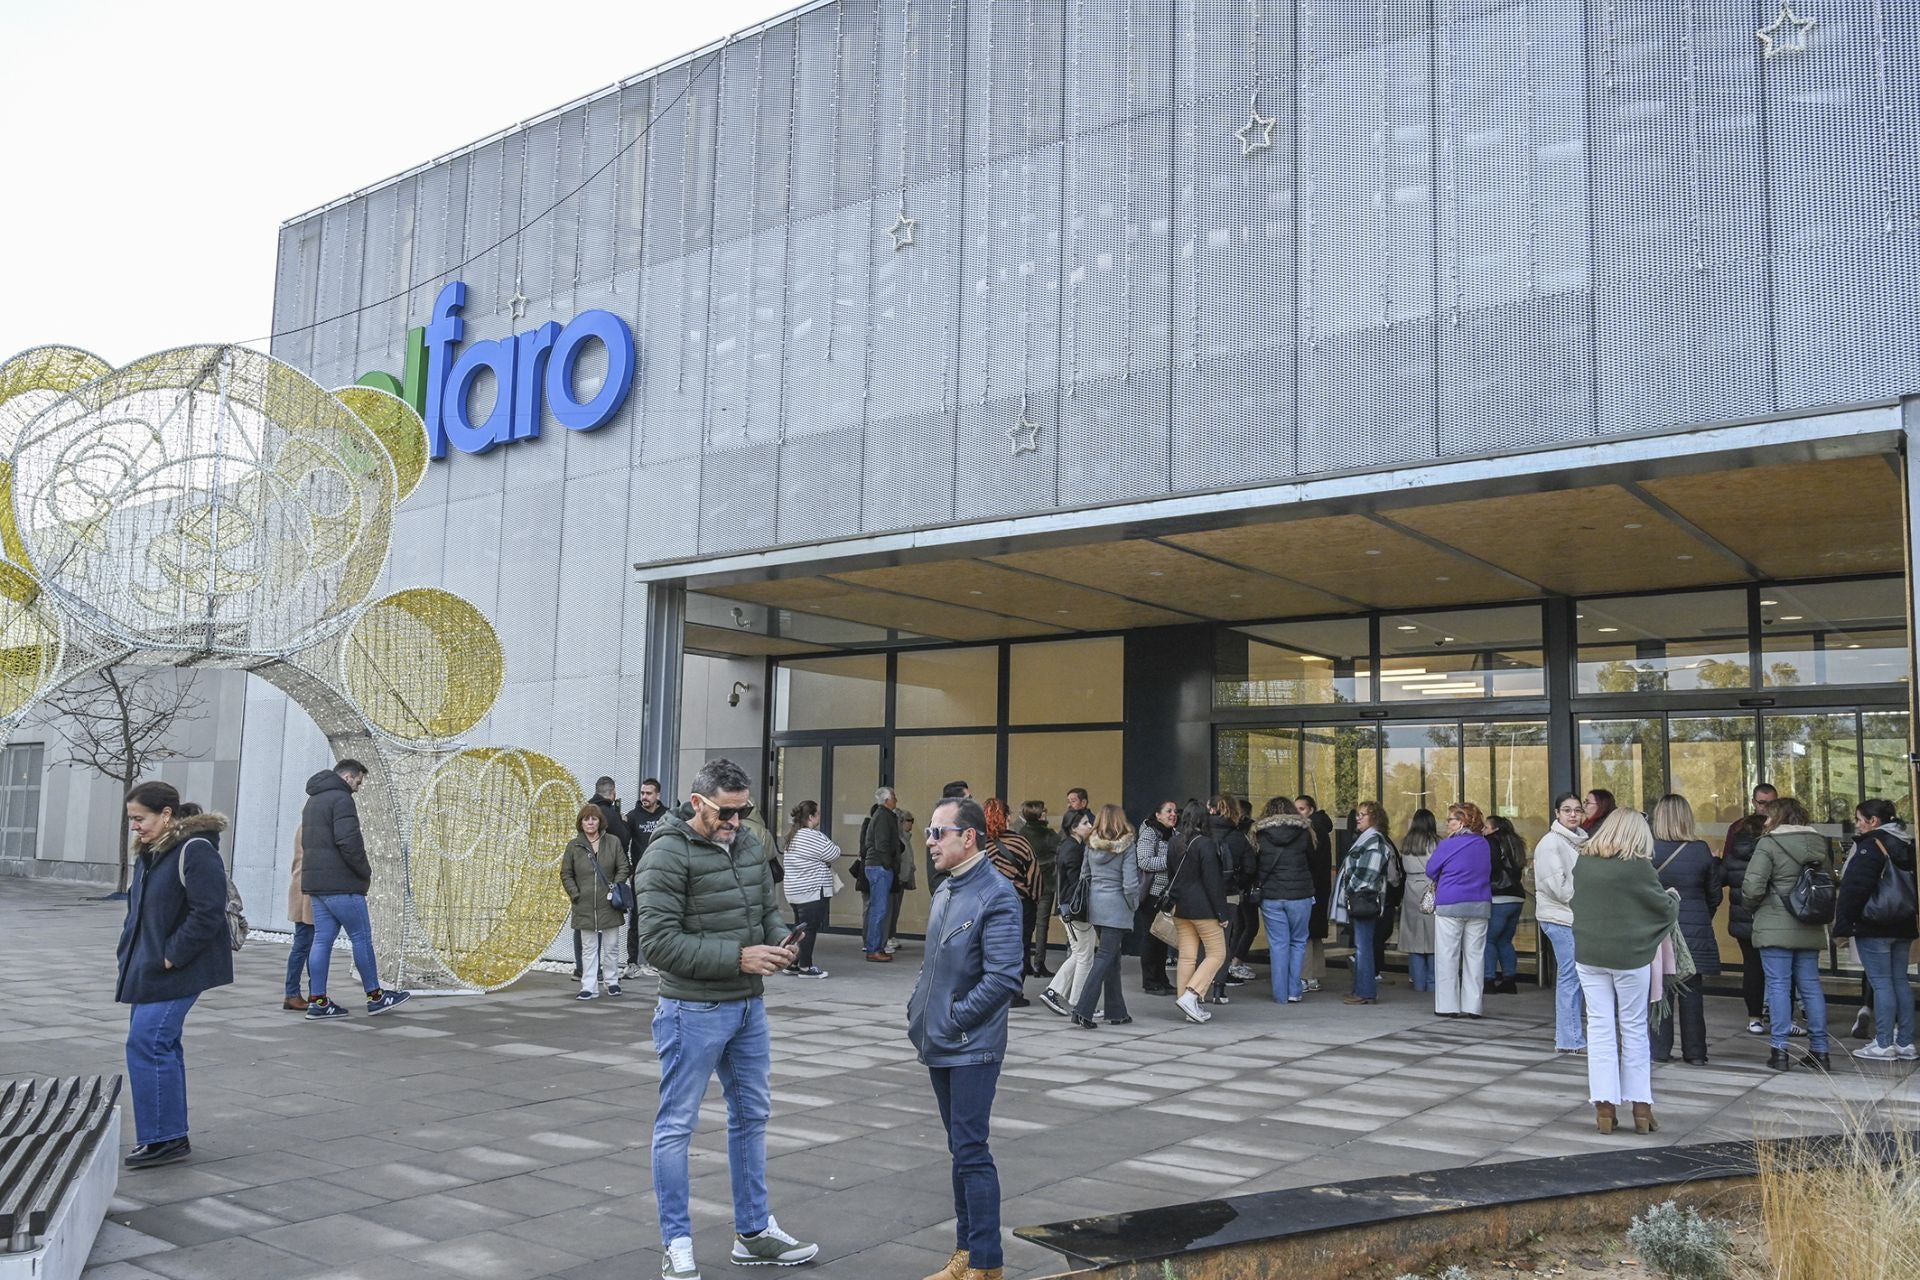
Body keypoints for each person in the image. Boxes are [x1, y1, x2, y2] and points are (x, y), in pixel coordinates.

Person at [633, 758, 818, 1278]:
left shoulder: (749, 844)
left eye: (744, 811)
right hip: (691, 1008)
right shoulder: (665, 853)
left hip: (746, 1007)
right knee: (677, 1126)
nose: (736, 822)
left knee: (752, 1117)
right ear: (697, 803)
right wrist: (739, 957)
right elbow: (656, 944)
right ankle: (676, 1244)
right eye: (727, 812)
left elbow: (764, 913)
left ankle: (754, 1233)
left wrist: (779, 942)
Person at [910, 796, 1022, 1280]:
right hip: (940, 1040)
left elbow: (1003, 979)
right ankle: (965, 1253)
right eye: (929, 833)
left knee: (972, 1151)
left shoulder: (996, 894)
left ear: (969, 836)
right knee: (960, 1149)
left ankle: (986, 1263)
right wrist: (920, 1009)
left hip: (971, 1047)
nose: (930, 842)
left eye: (939, 832)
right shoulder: (947, 889)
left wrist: (954, 1019)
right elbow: (933, 965)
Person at [115, 783, 232, 1170]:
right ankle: (169, 1135)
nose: (134, 826)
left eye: (140, 818)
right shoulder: (151, 852)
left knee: (147, 1042)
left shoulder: (194, 849)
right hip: (148, 966)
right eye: (131, 819)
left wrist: (171, 956)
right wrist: (129, 953)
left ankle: (163, 1138)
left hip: (177, 968)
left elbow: (208, 911)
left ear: (166, 814)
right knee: (159, 1044)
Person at [1572, 809, 1678, 1135]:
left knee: (1600, 1028)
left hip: (1589, 954)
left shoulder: (1584, 862)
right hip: (1630, 956)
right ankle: (1641, 1107)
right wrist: (1674, 899)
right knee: (1633, 1028)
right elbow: (1663, 909)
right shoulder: (1637, 866)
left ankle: (1604, 1107)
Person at [301, 760, 411, 1020]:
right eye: (358, 781)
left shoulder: (313, 800)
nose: (359, 787)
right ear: (348, 776)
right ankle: (376, 996)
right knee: (361, 937)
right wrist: (364, 870)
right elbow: (348, 841)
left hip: (317, 884)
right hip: (342, 883)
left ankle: (318, 1001)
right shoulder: (342, 799)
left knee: (321, 940)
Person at [1741, 796, 1834, 1072]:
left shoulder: (1768, 844)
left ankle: (1780, 1051)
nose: (1765, 821)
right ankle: (1820, 1051)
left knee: (1779, 986)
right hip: (1810, 922)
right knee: (1811, 986)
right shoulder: (1818, 843)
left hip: (1775, 923)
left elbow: (1752, 887)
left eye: (1769, 816)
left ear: (1777, 818)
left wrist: (1753, 907)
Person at [1834, 798, 1916, 1062]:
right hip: (1904, 922)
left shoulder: (1872, 845)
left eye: (1860, 819)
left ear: (1874, 821)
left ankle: (1883, 1043)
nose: (1857, 824)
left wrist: (1844, 923)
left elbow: (1856, 887)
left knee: (1881, 983)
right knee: (1899, 980)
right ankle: (1905, 1042)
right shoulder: (1906, 843)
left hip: (1874, 923)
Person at [1644, 794, 1721, 1064]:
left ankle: (1660, 1050)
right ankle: (1696, 1053)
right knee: (1692, 995)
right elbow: (1714, 895)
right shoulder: (1700, 850)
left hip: (1659, 930)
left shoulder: (1649, 850)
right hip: (1694, 930)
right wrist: (1701, 916)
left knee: (1659, 991)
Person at [1069, 805, 1140, 1029]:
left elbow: (1085, 875)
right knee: (1105, 957)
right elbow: (1130, 884)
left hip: (1096, 906)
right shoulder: (1127, 845)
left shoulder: (1090, 843)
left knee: (1112, 959)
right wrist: (1134, 905)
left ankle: (1116, 1011)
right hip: (1117, 907)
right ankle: (1083, 1010)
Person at [1532, 794, 1588, 1052]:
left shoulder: (1580, 841)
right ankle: (1569, 1038)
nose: (1573, 814)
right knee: (1571, 975)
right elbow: (1559, 888)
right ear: (1557, 813)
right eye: (1567, 810)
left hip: (1573, 916)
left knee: (1575, 975)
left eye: (1577, 810)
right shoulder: (1551, 843)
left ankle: (1571, 1037)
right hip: (1559, 917)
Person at [1721, 784, 1777, 1035]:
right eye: (1762, 802)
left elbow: (1725, 872)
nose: (1765, 807)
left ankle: (1755, 1017)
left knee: (1753, 966)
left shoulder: (1737, 834)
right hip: (1771, 911)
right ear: (1753, 802)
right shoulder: (1777, 834)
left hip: (1743, 910)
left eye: (1770, 803)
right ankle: (1778, 1015)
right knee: (1776, 966)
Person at [1428, 802, 1493, 1019]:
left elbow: (1430, 870)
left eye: (1451, 820)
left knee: (1448, 956)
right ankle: (1473, 1006)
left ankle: (1447, 1006)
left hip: (1450, 902)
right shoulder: (1483, 844)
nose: (1447, 823)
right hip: (1480, 903)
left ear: (1462, 822)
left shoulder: (1448, 844)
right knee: (1475, 957)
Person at [560, 803, 632, 1000]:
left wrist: (615, 887)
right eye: (586, 819)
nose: (590, 822)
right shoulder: (574, 846)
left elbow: (623, 866)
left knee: (611, 946)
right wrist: (575, 894)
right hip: (584, 903)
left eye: (594, 819)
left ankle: (612, 981)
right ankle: (589, 986)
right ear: (581, 822)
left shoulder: (613, 842)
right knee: (589, 948)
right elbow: (566, 873)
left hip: (610, 902)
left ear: (600, 821)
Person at [1169, 800, 1228, 1024]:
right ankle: (1191, 995)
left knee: (1187, 956)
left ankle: (1187, 1005)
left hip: (1180, 907)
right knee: (1217, 953)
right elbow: (1213, 882)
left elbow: (1171, 874)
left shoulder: (1174, 842)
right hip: (1204, 909)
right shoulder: (1206, 844)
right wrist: (1222, 913)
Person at [1253, 796, 1316, 1005]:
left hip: (1271, 895)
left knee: (1278, 945)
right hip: (1300, 895)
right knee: (1298, 942)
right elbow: (1313, 861)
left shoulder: (1259, 834)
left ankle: (1280, 994)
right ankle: (1294, 991)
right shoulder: (1305, 832)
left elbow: (1254, 864)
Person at [1041, 808, 1097, 1016]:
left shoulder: (1070, 846)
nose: (1090, 826)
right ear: (1073, 828)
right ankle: (1079, 1002)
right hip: (1076, 909)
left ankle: (1054, 992)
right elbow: (1077, 884)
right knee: (1084, 956)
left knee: (1080, 954)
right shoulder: (1073, 849)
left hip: (1070, 908)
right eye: (1085, 823)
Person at [983, 798, 1038, 1007]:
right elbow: (1034, 876)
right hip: (1019, 903)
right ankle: (1013, 994)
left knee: (989, 946)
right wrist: (1034, 897)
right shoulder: (1020, 842)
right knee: (1019, 947)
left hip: (987, 903)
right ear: (1007, 817)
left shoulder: (977, 844)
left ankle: (989, 990)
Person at [1337, 801, 1393, 1006]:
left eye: (1363, 815)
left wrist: (1349, 889)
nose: (1358, 818)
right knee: (1362, 946)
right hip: (1362, 899)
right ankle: (1361, 990)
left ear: (1374, 817)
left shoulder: (1374, 841)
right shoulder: (1367, 839)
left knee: (1363, 947)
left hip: (1364, 899)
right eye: (1358, 814)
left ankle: (1365, 992)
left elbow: (1368, 873)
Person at [779, 800, 840, 979]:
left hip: (794, 891)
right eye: (818, 813)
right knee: (809, 929)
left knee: (800, 928)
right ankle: (806, 967)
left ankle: (793, 962)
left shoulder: (792, 835)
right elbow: (834, 852)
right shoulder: (813, 836)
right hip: (811, 890)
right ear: (811, 817)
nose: (820, 817)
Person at [1206, 795, 1257, 1002]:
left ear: (1211, 809)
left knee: (1199, 943)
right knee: (1223, 942)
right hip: (1229, 895)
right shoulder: (1238, 837)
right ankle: (1219, 988)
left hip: (1202, 895)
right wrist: (1237, 884)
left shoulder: (1200, 833)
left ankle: (1197, 989)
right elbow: (1250, 868)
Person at [623, 778, 671, 978]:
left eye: (649, 793)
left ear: (658, 795)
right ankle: (632, 962)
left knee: (660, 918)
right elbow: (623, 844)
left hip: (661, 876)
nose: (644, 797)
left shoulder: (667, 815)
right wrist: (628, 870)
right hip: (640, 876)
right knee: (635, 919)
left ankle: (657, 962)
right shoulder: (633, 817)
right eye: (642, 793)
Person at [1134, 800, 1178, 995]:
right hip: (1153, 894)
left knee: (1163, 938)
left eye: (1175, 811)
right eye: (1168, 811)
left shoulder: (1174, 834)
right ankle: (1150, 982)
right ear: (1157, 815)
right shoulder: (1149, 833)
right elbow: (1144, 862)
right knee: (1151, 938)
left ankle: (1162, 979)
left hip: (1168, 894)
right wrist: (1171, 860)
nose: (1173, 814)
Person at [1483, 815, 1529, 994]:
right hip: (1516, 896)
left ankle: (1489, 980)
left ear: (1495, 829)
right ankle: (1510, 980)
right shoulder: (1515, 842)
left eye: (1486, 827)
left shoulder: (1491, 842)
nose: (1483, 830)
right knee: (1505, 941)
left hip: (1498, 896)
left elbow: (1491, 866)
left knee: (1489, 940)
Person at [861, 787, 906, 963]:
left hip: (878, 866)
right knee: (879, 909)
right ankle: (874, 949)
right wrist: (889, 864)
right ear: (887, 800)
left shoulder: (883, 815)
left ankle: (876, 947)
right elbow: (882, 844)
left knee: (879, 908)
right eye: (894, 797)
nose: (896, 799)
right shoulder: (883, 817)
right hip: (879, 867)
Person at [1296, 795, 1334, 994]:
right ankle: (1315, 975)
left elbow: (1309, 860)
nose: (1298, 813)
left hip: (1310, 887)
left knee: (1306, 933)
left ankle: (1306, 975)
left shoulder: (1310, 830)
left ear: (1311, 810)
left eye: (1301, 809)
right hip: (1320, 886)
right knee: (1315, 934)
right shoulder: (1321, 828)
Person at [1397, 809, 1438, 995]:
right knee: (1433, 939)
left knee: (1414, 940)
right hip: (1430, 888)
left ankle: (1418, 983)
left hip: (1410, 888)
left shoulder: (1407, 842)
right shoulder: (1435, 842)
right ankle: (1433, 983)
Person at [1017, 801, 1060, 978]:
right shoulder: (1049, 834)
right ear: (1041, 815)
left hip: (1026, 885)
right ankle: (1039, 964)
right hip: (1045, 884)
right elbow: (1060, 851)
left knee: (1025, 926)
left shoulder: (1021, 833)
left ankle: (1025, 962)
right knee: (1042, 925)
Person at [284, 828, 312, 1011]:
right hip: (306, 894)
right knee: (303, 945)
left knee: (308, 945)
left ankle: (313, 992)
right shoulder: (309, 825)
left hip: (305, 891)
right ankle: (293, 994)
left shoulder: (307, 824)